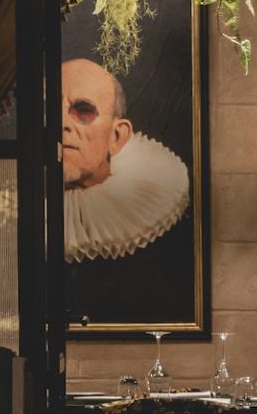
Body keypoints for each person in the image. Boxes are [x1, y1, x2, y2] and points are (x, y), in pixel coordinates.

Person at [60, 54, 193, 325]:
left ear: (117, 136)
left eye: (83, 110)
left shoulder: (169, 237)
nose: (62, 124)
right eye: (48, 110)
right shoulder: (2, 216)